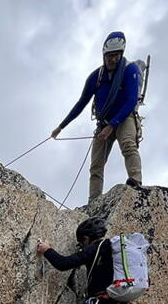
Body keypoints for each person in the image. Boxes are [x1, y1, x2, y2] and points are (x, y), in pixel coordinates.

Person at [51, 31, 143, 202]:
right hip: (104, 123)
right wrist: (61, 126)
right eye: (109, 55)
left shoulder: (130, 70)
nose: (112, 59)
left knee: (128, 145)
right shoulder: (96, 77)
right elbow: (81, 103)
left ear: (121, 54)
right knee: (96, 166)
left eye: (116, 55)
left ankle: (136, 183)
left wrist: (113, 125)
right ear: (103, 54)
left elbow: (131, 100)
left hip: (124, 118)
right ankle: (94, 202)